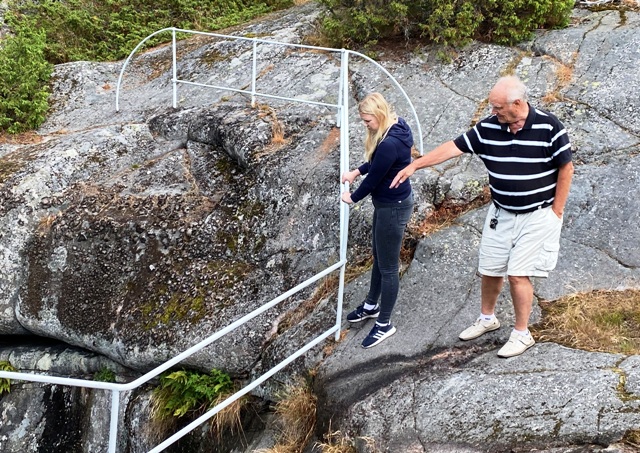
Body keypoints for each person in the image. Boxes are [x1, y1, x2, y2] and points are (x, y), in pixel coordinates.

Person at [391, 76, 574, 358]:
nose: (493, 111)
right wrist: (416, 165)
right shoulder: (489, 127)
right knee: (490, 268)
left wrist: (557, 211)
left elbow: (566, 168)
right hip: (501, 212)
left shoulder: (549, 126)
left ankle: (522, 334)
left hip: (538, 214)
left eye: (498, 107)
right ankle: (487, 318)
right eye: (492, 106)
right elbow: (453, 147)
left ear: (517, 103)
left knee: (517, 274)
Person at [341, 92, 414, 348]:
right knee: (380, 257)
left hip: (392, 208)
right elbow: (378, 164)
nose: (366, 125)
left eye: (367, 121)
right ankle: (372, 305)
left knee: (389, 267)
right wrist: (356, 171)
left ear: (379, 115)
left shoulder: (389, 143)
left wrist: (352, 197)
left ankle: (384, 324)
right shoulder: (397, 125)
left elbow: (373, 179)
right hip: (388, 205)